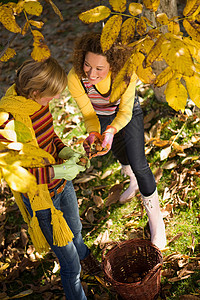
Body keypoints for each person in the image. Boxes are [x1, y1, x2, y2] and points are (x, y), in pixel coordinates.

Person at [0, 57, 101, 300]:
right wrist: (56, 171)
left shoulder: (37, 104)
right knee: (69, 266)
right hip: (41, 200)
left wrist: (63, 150)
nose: (54, 100)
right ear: (34, 92)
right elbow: (17, 175)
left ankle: (86, 257)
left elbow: (49, 136)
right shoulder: (7, 120)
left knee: (75, 231)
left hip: (61, 186)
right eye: (51, 95)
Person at [67, 32, 167, 250]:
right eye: (87, 65)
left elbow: (125, 112)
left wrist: (111, 131)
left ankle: (156, 222)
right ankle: (132, 182)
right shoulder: (75, 78)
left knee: (139, 164)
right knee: (121, 155)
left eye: (99, 69)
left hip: (127, 113)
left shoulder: (126, 73)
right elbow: (88, 113)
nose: (91, 74)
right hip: (100, 115)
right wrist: (94, 133)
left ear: (113, 65)